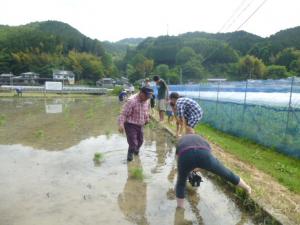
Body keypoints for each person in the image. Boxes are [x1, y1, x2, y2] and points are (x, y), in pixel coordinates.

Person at [175, 134, 251, 208]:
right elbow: (207, 157)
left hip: (186, 155)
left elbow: (178, 158)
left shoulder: (181, 141)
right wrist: (199, 167)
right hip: (204, 155)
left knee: (180, 184)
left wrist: (184, 171)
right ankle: (247, 188)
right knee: (226, 173)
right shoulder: (204, 141)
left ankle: (180, 209)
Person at [118, 86, 154, 161]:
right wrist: (121, 125)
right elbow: (124, 114)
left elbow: (146, 111)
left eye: (149, 97)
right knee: (133, 142)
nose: (148, 98)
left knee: (140, 141)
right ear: (141, 93)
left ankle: (135, 150)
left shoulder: (147, 100)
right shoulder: (132, 101)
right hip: (130, 124)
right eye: (147, 96)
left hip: (140, 124)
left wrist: (147, 119)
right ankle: (130, 153)